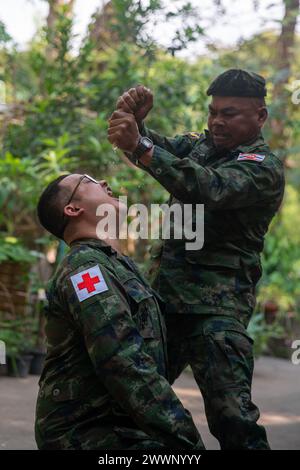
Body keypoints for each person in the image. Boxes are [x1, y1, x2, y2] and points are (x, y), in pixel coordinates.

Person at [107, 69, 285, 449]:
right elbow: (160, 152)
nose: (217, 121)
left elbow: (208, 187)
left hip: (215, 312)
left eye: (230, 113)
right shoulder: (201, 146)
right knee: (133, 405)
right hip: (166, 302)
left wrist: (139, 145)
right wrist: (136, 126)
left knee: (233, 421)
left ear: (260, 116)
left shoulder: (262, 166)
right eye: (213, 112)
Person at [35, 173, 204, 450]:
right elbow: (122, 361)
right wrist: (184, 436)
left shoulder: (115, 264)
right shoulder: (85, 269)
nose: (103, 182)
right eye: (89, 180)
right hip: (85, 431)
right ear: (73, 209)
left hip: (121, 423)